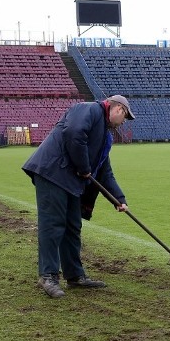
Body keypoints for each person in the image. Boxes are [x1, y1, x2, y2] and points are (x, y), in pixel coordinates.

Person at [22, 95, 135, 298]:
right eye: (125, 117)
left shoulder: (105, 137)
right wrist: (84, 168)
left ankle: (75, 275)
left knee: (73, 226)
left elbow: (104, 172)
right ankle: (47, 276)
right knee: (53, 225)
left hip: (70, 182)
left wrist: (119, 199)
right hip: (53, 173)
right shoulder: (89, 109)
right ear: (118, 109)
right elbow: (74, 133)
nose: (124, 121)